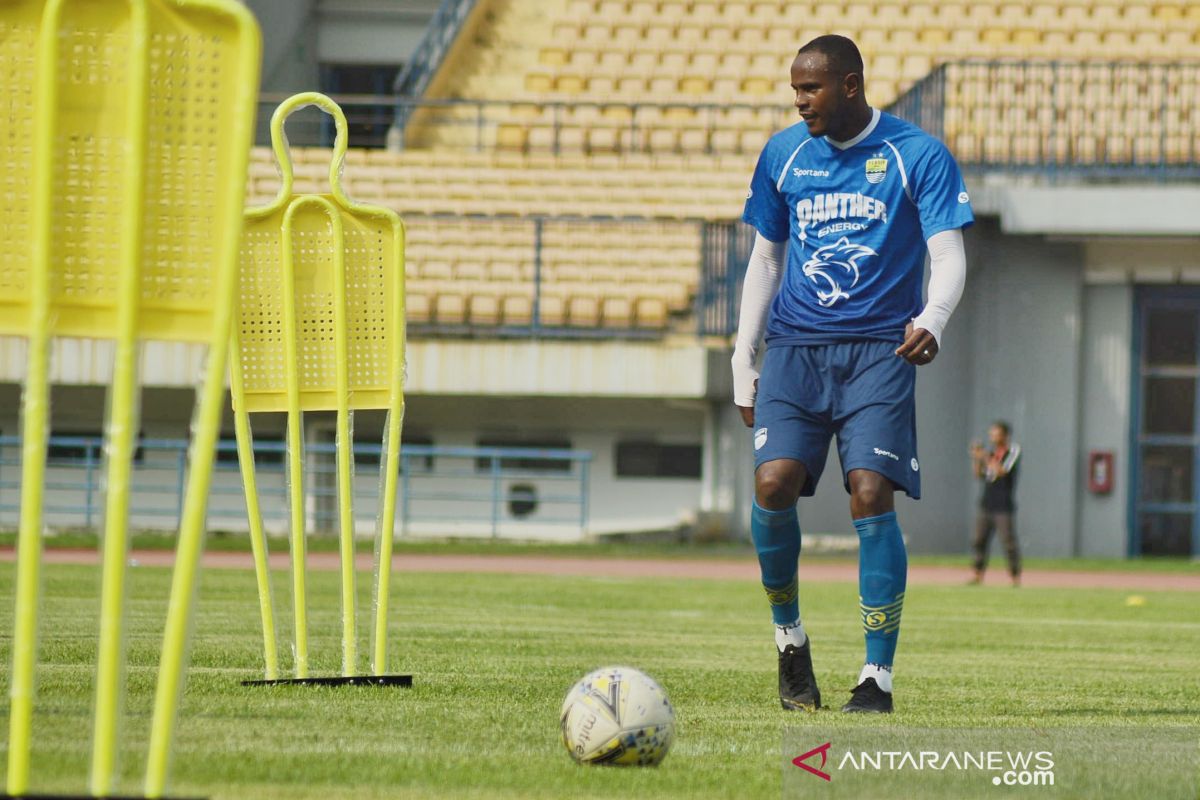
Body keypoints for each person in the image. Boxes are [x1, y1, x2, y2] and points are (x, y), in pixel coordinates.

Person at [732, 34, 973, 714]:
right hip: (797, 350)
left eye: (810, 88)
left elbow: (948, 255)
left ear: (849, 85)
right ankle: (789, 642)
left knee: (870, 492)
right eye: (794, 89)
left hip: (878, 352)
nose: (799, 101)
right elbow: (766, 262)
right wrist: (741, 359)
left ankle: (876, 679)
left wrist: (935, 317)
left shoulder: (916, 154)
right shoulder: (784, 154)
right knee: (773, 484)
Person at [969, 422, 1022, 586]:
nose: (992, 437)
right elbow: (979, 475)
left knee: (1008, 541)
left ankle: (1015, 576)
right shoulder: (990, 453)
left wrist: (984, 456)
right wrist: (976, 458)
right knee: (979, 540)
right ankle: (978, 574)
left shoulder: (1012, 451)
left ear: (1005, 435)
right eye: (991, 434)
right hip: (986, 503)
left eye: (996, 434)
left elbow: (1001, 471)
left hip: (1003, 506)